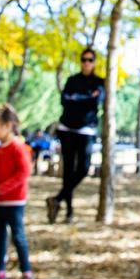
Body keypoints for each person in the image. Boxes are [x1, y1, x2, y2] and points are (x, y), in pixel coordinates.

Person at [0, 104, 35, 279]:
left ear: (8, 125)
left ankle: (26, 274)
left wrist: (3, 188)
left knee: (18, 237)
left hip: (14, 202)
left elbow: (23, 172)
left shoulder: (18, 148)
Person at [46, 47, 104, 223]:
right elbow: (65, 101)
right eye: (84, 59)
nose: (87, 63)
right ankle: (68, 212)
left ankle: (56, 199)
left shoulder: (99, 82)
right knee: (68, 172)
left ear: (94, 62)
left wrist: (76, 98)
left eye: (90, 60)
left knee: (83, 169)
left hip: (86, 130)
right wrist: (85, 98)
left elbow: (96, 101)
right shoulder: (72, 80)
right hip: (67, 129)